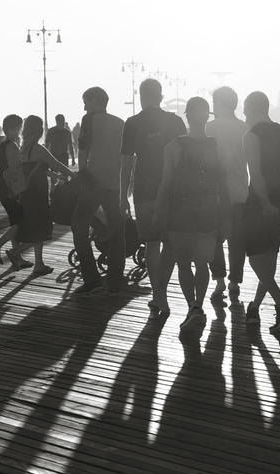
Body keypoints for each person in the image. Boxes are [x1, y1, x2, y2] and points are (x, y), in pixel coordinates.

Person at [153, 96, 229, 336]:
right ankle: (198, 304)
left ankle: (193, 307)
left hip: (180, 213)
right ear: (207, 116)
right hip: (209, 213)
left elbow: (165, 185)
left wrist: (158, 212)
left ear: (187, 115)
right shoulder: (217, 146)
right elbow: (222, 185)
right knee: (203, 263)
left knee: (183, 263)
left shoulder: (173, 147)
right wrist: (225, 217)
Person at [120, 78, 186, 317]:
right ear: (160, 96)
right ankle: (161, 292)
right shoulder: (176, 121)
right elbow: (186, 158)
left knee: (151, 242)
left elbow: (126, 163)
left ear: (141, 96)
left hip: (145, 191)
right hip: (174, 192)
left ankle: (158, 295)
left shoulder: (132, 123)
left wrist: (122, 196)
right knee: (169, 242)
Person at [241, 91, 280, 333]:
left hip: (259, 203)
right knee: (269, 258)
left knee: (256, 258)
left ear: (254, 108)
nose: (243, 114)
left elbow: (255, 174)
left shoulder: (250, 136)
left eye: (246, 108)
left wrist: (264, 203)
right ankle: (255, 307)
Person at [71, 86, 126, 295]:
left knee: (78, 225)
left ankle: (92, 278)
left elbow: (83, 150)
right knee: (116, 231)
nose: (84, 107)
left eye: (86, 102)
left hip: (94, 182)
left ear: (95, 101)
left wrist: (82, 174)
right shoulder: (121, 123)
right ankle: (115, 279)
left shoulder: (88, 120)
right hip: (116, 183)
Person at [205, 85, 249, 301]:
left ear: (220, 103)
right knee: (236, 241)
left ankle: (220, 281)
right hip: (240, 192)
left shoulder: (209, 127)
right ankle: (234, 282)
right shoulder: (245, 128)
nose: (212, 106)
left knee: (214, 238)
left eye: (214, 102)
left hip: (214, 193)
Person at [16, 115, 73, 277]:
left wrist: (57, 177)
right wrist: (72, 175)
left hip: (26, 192)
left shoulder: (24, 149)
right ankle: (17, 251)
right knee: (41, 225)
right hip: (38, 191)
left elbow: (39, 169)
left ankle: (38, 263)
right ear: (38, 130)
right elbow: (56, 164)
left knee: (35, 225)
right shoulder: (38, 148)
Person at [0, 114, 33, 270]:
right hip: (10, 190)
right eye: (19, 129)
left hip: (4, 188)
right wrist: (17, 191)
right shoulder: (11, 146)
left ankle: (17, 259)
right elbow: (11, 171)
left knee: (15, 222)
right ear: (13, 129)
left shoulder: (3, 144)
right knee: (20, 223)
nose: (19, 132)